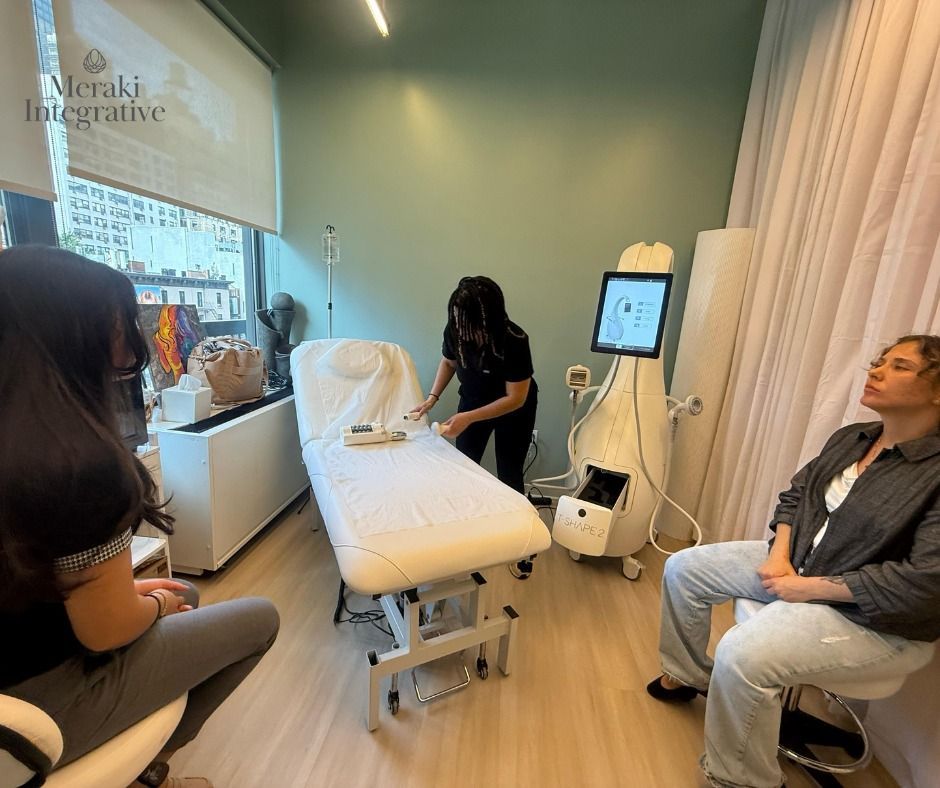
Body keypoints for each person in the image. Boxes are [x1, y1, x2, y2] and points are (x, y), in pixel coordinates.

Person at [0, 246, 279, 788]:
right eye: (118, 323)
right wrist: (149, 602)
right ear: (71, 335)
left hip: (13, 672)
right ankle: (136, 770)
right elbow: (105, 631)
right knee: (259, 618)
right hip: (39, 713)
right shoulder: (77, 465)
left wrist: (147, 599)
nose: (132, 341)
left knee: (186, 595)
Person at [647, 334, 940, 788]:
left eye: (899, 366)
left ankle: (743, 780)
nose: (876, 371)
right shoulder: (853, 437)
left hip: (874, 619)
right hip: (800, 563)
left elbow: (923, 583)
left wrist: (809, 588)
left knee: (742, 653)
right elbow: (797, 494)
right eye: (878, 361)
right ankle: (690, 676)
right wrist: (780, 556)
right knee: (685, 568)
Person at [411, 276, 538, 493]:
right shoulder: (455, 330)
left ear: (489, 318)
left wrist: (468, 417)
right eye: (458, 319)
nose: (462, 329)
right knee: (464, 466)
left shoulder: (514, 340)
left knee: (509, 472)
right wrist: (432, 398)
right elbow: (449, 363)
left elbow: (515, 398)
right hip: (473, 397)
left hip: (514, 409)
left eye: (469, 322)